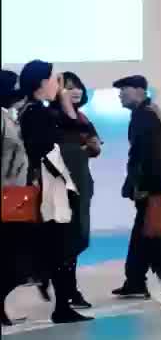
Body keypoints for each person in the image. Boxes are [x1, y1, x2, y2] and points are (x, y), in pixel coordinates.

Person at [16, 60, 93, 323]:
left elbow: (80, 129)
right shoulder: (36, 113)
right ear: (41, 82)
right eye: (54, 79)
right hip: (50, 187)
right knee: (59, 245)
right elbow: (44, 149)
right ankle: (60, 303)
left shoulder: (37, 111)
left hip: (52, 185)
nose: (58, 85)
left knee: (62, 245)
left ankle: (62, 303)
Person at [111, 75, 161, 300]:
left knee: (151, 236)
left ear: (139, 90)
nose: (120, 95)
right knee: (146, 235)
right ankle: (138, 281)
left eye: (124, 90)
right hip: (154, 185)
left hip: (151, 187)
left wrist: (144, 185)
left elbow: (151, 155)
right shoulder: (147, 113)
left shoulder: (146, 116)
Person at [57, 71, 100, 309]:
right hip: (61, 186)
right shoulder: (54, 116)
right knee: (66, 239)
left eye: (77, 86)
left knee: (78, 237)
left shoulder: (82, 117)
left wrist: (89, 147)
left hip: (82, 183)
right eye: (69, 87)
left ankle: (69, 290)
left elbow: (95, 147)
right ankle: (67, 291)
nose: (75, 91)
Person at [1, 70, 33, 326]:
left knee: (15, 254)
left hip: (15, 193)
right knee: (12, 255)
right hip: (5, 193)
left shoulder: (8, 116)